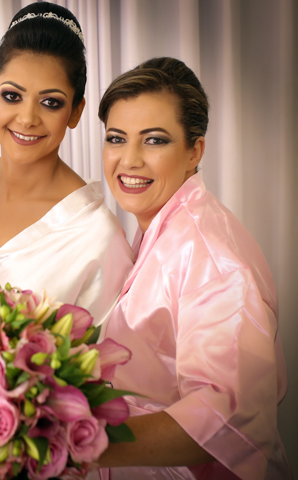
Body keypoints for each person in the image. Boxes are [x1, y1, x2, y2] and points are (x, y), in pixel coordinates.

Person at [97, 57, 290, 479]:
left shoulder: (212, 259)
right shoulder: (163, 227)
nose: (129, 160)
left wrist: (81, 443)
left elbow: (227, 418)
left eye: (154, 140)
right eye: (116, 138)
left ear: (194, 151)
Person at [0, 2, 133, 328]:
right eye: (12, 96)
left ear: (76, 112)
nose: (27, 118)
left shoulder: (98, 237)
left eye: (50, 102)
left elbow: (106, 355)